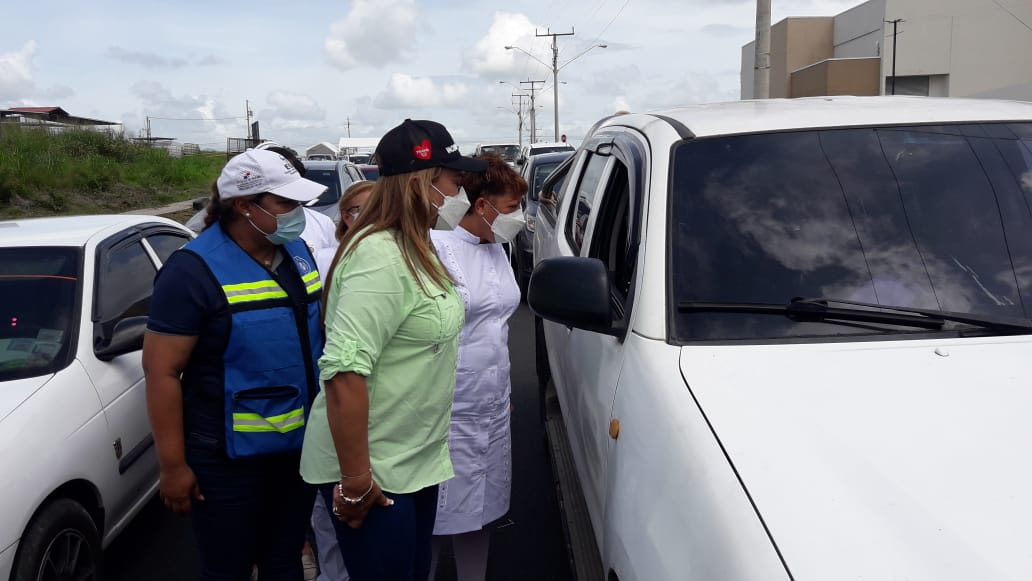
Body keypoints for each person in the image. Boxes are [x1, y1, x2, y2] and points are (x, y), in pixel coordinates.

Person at [300, 118, 487, 581]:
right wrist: (356, 480)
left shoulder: (416, 245)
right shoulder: (379, 256)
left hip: (412, 460)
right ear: (423, 182)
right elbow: (344, 373)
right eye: (454, 181)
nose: (460, 193)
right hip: (375, 470)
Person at [144, 149, 327, 581]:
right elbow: (161, 372)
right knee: (228, 568)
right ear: (245, 206)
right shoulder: (192, 271)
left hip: (296, 451)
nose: (298, 213)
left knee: (284, 560)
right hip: (225, 459)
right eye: (285, 203)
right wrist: (173, 466)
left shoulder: (296, 252)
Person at [428, 155, 525, 581]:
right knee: (434, 512)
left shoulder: (498, 247)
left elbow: (498, 327)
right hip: (446, 406)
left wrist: (504, 393)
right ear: (482, 205)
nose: (519, 218)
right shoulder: (436, 248)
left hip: (491, 401)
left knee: (480, 509)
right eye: (511, 208)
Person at [314, 180, 375, 275]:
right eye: (365, 209)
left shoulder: (397, 254)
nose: (376, 215)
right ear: (346, 216)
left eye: (381, 208)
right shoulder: (325, 260)